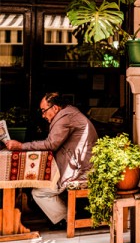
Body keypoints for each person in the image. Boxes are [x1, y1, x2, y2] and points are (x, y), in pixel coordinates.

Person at [5, 92, 98, 230]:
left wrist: (21, 146)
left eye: (44, 111)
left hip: (83, 169)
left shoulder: (65, 116)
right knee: (42, 184)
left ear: (55, 108)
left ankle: (66, 220)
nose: (43, 115)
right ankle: (67, 216)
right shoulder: (69, 113)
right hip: (81, 165)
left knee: (39, 192)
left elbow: (51, 144)